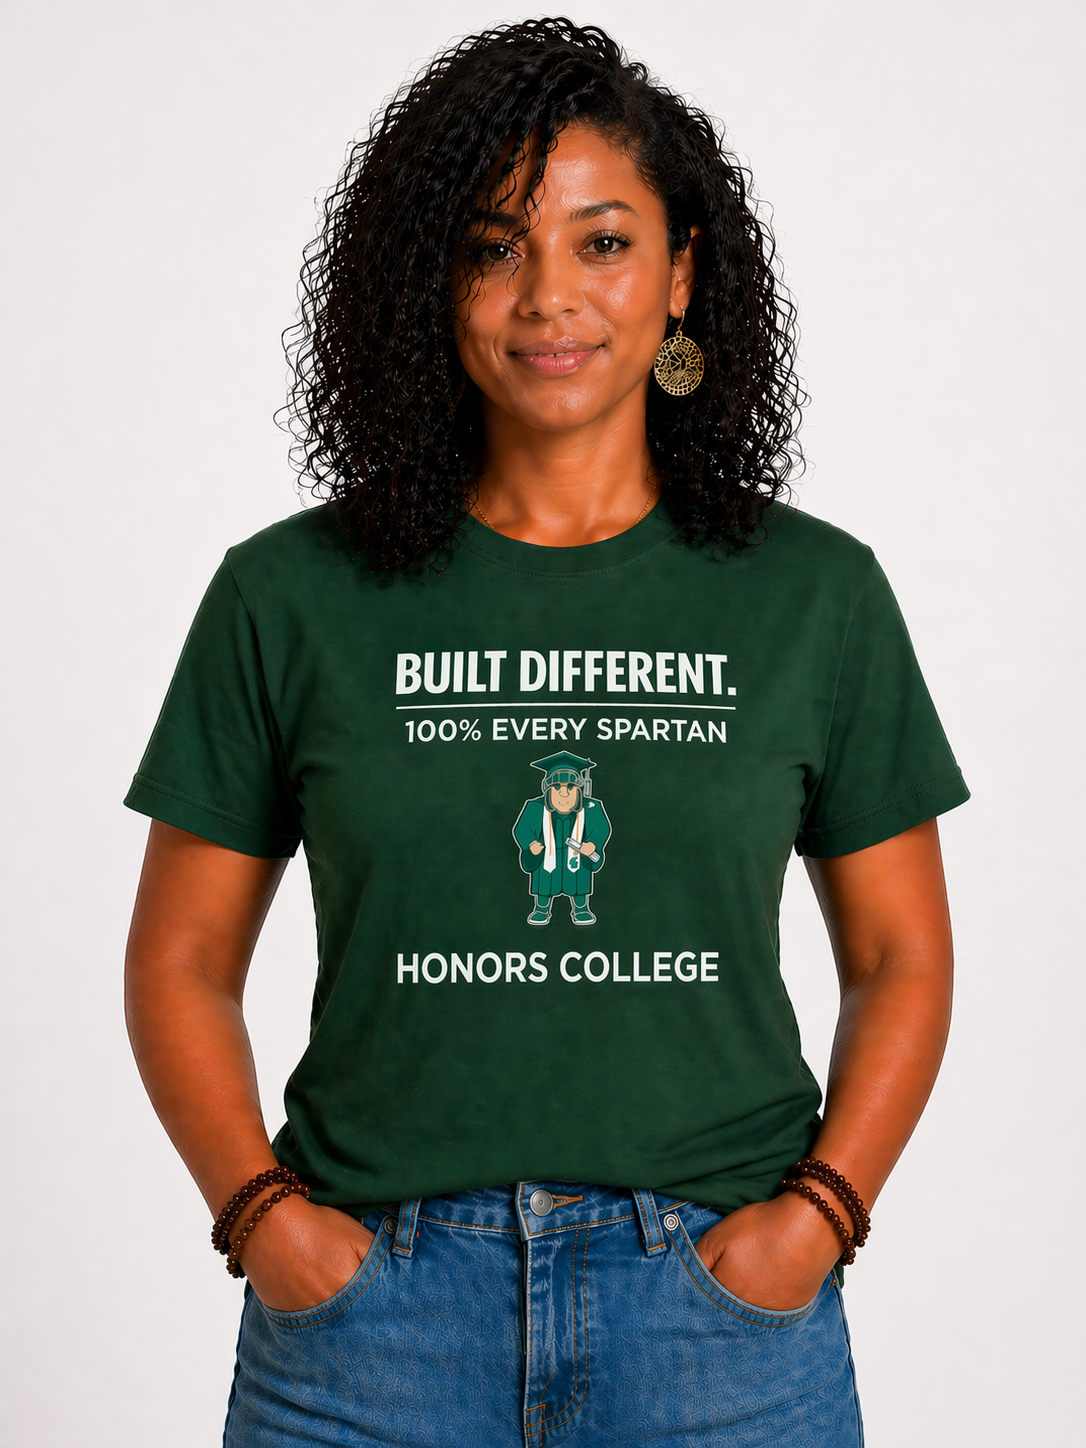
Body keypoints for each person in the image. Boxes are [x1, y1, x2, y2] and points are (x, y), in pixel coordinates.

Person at [123, 19, 968, 1447]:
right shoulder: (289, 593)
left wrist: (812, 1224)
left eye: (600, 243)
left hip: (716, 1332)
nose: (546, 298)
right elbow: (180, 961)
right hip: (368, 1335)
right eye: (492, 247)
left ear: (681, 271)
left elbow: (900, 958)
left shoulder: (812, 594)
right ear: (429, 285)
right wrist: (269, 1224)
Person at [513, 752, 611, 924]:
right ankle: (541, 908)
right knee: (545, 880)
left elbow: (602, 828)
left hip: (577, 854)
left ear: (580, 791)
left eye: (571, 788)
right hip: (547, 854)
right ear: (547, 790)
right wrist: (531, 843)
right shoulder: (535, 807)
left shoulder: (591, 807)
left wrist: (593, 845)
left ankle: (581, 908)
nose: (564, 794)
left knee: (578, 879)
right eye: (557, 788)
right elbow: (522, 828)